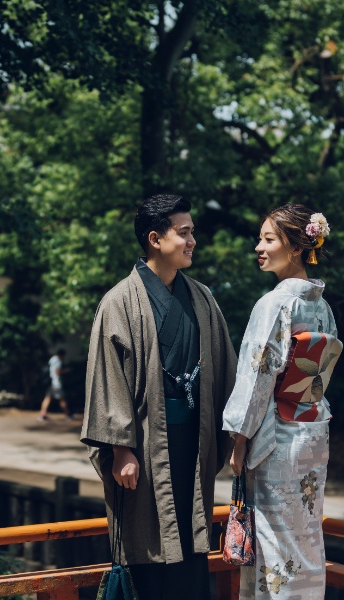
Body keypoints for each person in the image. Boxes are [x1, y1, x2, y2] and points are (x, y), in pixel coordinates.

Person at [81, 194, 238, 600]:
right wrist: (119, 449)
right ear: (155, 238)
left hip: (194, 443)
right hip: (144, 449)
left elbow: (227, 369)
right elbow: (107, 376)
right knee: (147, 548)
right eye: (183, 233)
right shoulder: (119, 301)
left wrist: (237, 432)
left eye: (192, 233)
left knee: (191, 542)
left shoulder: (202, 297)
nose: (192, 241)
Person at [223, 204, 343, 600]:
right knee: (305, 538)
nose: (259, 246)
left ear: (295, 247)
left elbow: (258, 376)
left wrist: (240, 440)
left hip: (277, 437)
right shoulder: (320, 306)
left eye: (269, 239)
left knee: (276, 543)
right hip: (312, 434)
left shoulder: (274, 304)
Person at [38, 349, 72, 421]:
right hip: (56, 383)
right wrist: (66, 371)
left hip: (50, 382)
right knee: (62, 399)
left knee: (47, 398)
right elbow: (57, 372)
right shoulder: (58, 361)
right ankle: (67, 414)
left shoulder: (52, 359)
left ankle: (42, 414)